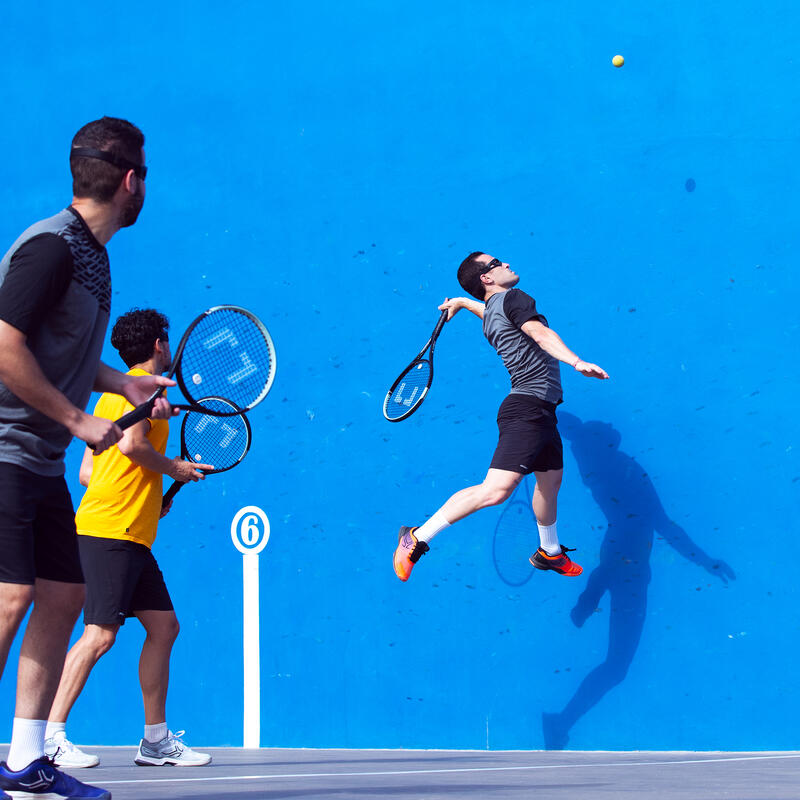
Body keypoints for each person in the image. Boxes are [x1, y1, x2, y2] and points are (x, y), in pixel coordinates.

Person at [0, 118, 173, 800]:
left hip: (38, 460)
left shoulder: (94, 257)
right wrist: (78, 421)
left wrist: (119, 382)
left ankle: (23, 757)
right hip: (6, 450)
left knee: (65, 595)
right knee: (13, 596)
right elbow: (5, 345)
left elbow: (57, 345)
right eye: (146, 176)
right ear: (131, 181)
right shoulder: (51, 250)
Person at [44, 308, 212, 770]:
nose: (170, 344)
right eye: (168, 338)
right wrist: (174, 468)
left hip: (129, 529)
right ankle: (50, 736)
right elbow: (133, 448)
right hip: (109, 532)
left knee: (164, 627)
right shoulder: (140, 389)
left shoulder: (115, 396)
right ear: (160, 345)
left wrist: (151, 497)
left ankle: (155, 741)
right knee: (99, 635)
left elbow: (87, 470)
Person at [393, 251, 609, 583]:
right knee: (495, 491)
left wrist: (464, 304)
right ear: (487, 278)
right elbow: (539, 334)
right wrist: (576, 362)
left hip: (542, 411)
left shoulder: (495, 311)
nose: (507, 263)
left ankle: (549, 553)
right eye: (497, 263)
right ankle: (418, 536)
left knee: (549, 483)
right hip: (527, 408)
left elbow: (488, 309)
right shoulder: (513, 299)